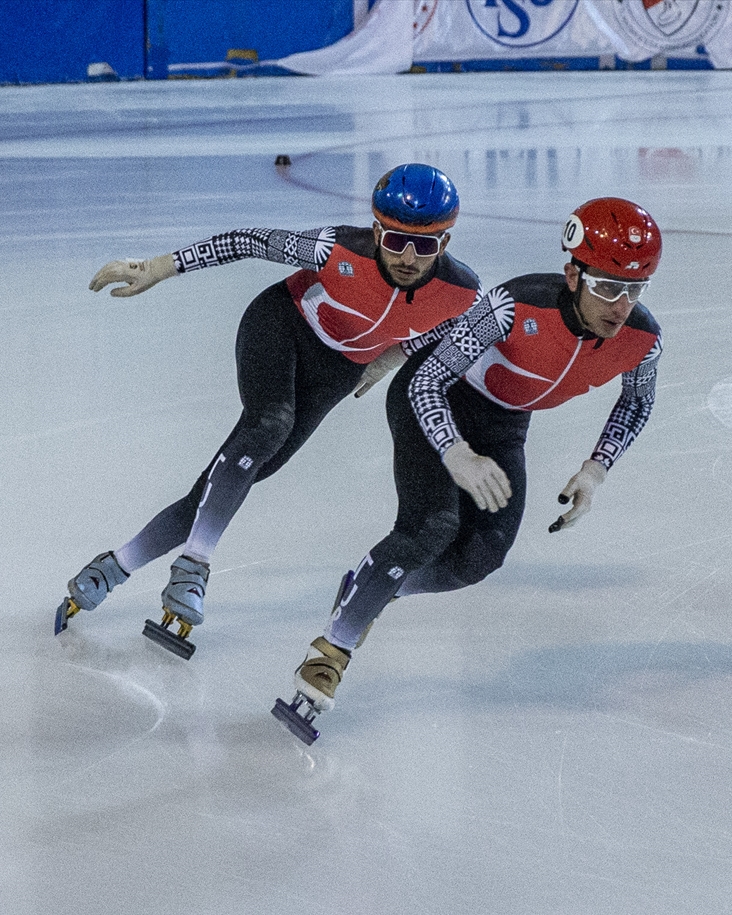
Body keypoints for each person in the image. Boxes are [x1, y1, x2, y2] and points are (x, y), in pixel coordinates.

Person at [273, 197, 663, 743]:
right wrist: (456, 452)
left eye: (634, 289)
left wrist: (596, 469)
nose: (620, 306)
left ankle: (378, 587)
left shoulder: (643, 340)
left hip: (503, 427)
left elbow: (636, 402)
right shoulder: (511, 306)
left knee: (480, 557)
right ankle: (331, 652)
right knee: (430, 527)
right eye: (607, 287)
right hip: (435, 401)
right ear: (573, 273)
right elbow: (428, 379)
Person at [56, 164, 482, 657]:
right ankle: (194, 566)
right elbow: (247, 241)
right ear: (375, 231)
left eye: (425, 245)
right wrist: (157, 267)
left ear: (445, 243)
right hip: (282, 327)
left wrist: (386, 359)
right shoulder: (335, 248)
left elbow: (444, 329)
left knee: (230, 478)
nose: (408, 258)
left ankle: (115, 566)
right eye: (395, 241)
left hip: (338, 372)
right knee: (268, 424)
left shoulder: (464, 292)